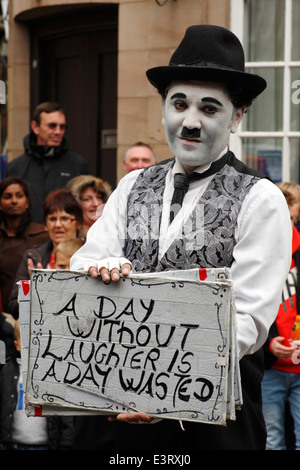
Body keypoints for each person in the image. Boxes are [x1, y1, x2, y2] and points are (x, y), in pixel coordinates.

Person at [70, 25, 292, 450]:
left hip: (209, 425)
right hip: (113, 414)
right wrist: (100, 267)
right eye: (179, 104)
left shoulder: (260, 199)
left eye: (210, 109)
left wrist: (163, 388)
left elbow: (247, 321)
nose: (190, 122)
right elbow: (84, 265)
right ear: (163, 108)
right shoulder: (133, 185)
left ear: (237, 115)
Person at [5, 102, 92, 224]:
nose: (58, 131)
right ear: (35, 127)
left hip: (67, 237)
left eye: (62, 127)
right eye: (52, 126)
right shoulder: (16, 167)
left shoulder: (79, 164)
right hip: (28, 238)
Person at [262, 182, 300, 450]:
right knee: (271, 439)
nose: (284, 226)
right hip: (270, 367)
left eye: (290, 219)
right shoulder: (258, 252)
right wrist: (268, 341)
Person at [8, 188, 83, 319]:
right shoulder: (33, 256)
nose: (58, 225)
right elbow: (14, 307)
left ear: (78, 223)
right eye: (52, 219)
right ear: (45, 225)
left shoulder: (92, 255)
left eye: (65, 218)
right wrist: (34, 290)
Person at [0, 320, 74, 450]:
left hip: (47, 444)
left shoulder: (54, 373)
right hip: (13, 444)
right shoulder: (7, 371)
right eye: (27, 342)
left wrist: (66, 443)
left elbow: (65, 414)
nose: (34, 346)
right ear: (17, 345)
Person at [0, 176, 49, 314]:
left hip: (35, 309)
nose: (14, 201)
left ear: (27, 201)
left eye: (19, 196)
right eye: (8, 196)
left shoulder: (42, 235)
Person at [67, 175, 111, 239]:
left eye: (99, 197)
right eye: (87, 199)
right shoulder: (69, 237)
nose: (95, 204)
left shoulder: (115, 233)